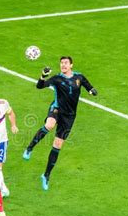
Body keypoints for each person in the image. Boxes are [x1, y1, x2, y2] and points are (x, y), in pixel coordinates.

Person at [23, 56, 98, 190]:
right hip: (57, 109)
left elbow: (89, 86)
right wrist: (43, 76)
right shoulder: (56, 78)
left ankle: (46, 175)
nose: (63, 65)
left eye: (65, 63)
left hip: (69, 116)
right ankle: (29, 148)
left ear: (71, 65)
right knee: (49, 125)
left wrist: (92, 91)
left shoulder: (79, 77)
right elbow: (39, 86)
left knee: (57, 145)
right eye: (61, 63)